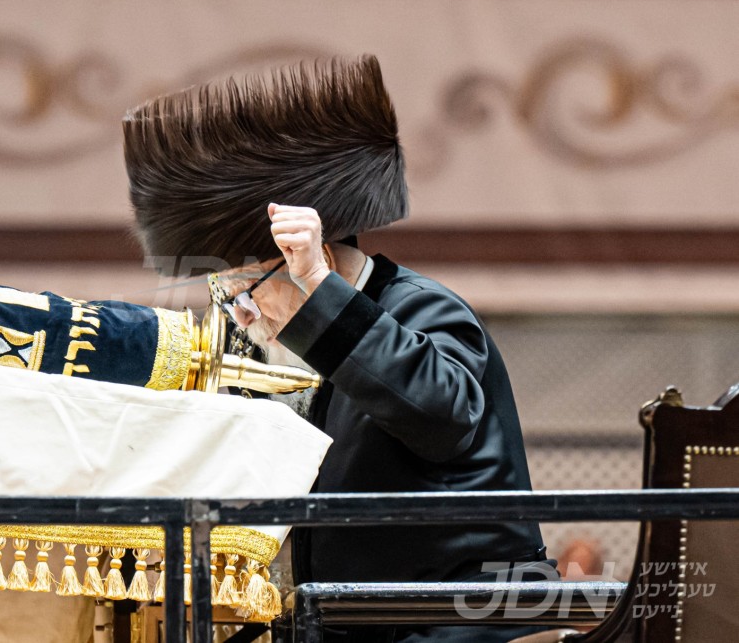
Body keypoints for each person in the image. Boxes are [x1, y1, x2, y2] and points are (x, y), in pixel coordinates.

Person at [124, 55, 555, 641]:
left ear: (319, 261)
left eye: (246, 290)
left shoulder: (426, 308)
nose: (242, 314)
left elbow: (442, 416)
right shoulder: (287, 346)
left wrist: (320, 293)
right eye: (225, 296)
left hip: (463, 621)